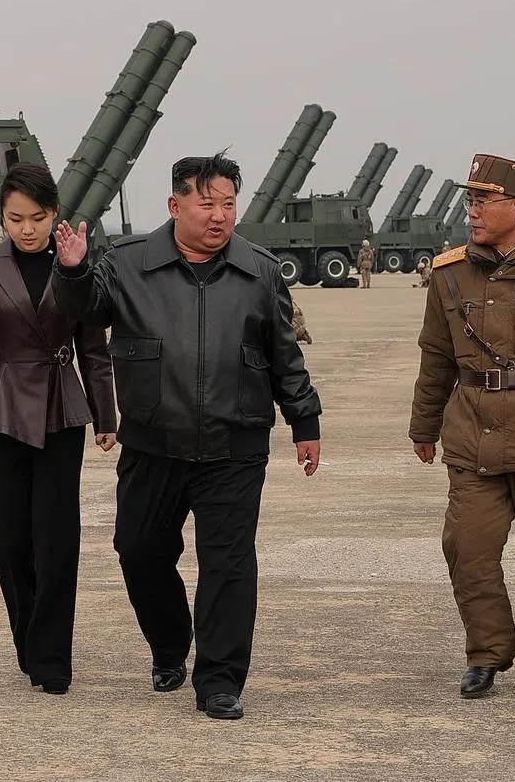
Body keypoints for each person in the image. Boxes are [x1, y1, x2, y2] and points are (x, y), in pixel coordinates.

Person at [52, 153, 322, 720]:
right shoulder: (127, 263)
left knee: (228, 564)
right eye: (207, 204)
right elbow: (85, 311)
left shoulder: (260, 270)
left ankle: (220, 679)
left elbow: (284, 352)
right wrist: (74, 270)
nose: (219, 216)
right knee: (139, 550)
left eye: (228, 203)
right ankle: (171, 643)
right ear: (175, 206)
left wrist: (304, 420)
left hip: (235, 442)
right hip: (154, 442)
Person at [0, 163, 117, 695]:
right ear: (2, 216)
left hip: (63, 410)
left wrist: (106, 415)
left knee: (57, 540)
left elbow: (94, 348)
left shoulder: (76, 264)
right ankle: (29, 638)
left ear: (55, 216)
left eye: (37, 218)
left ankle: (51, 659)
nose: (26, 228)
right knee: (9, 539)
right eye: (16, 218)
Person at [410, 154, 515, 703]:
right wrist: (423, 426)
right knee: (466, 548)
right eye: (469, 200)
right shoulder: (449, 273)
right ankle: (487, 653)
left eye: (482, 201)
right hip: (474, 437)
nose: (471, 211)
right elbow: (435, 356)